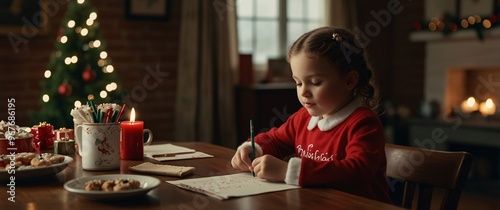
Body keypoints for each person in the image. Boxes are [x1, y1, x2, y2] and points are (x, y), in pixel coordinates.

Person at [231, 26, 392, 203]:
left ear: (349, 81)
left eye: (315, 82)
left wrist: (288, 171)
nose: (304, 92)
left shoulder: (364, 123)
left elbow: (357, 171)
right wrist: (252, 149)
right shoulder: (303, 118)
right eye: (298, 83)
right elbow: (276, 139)